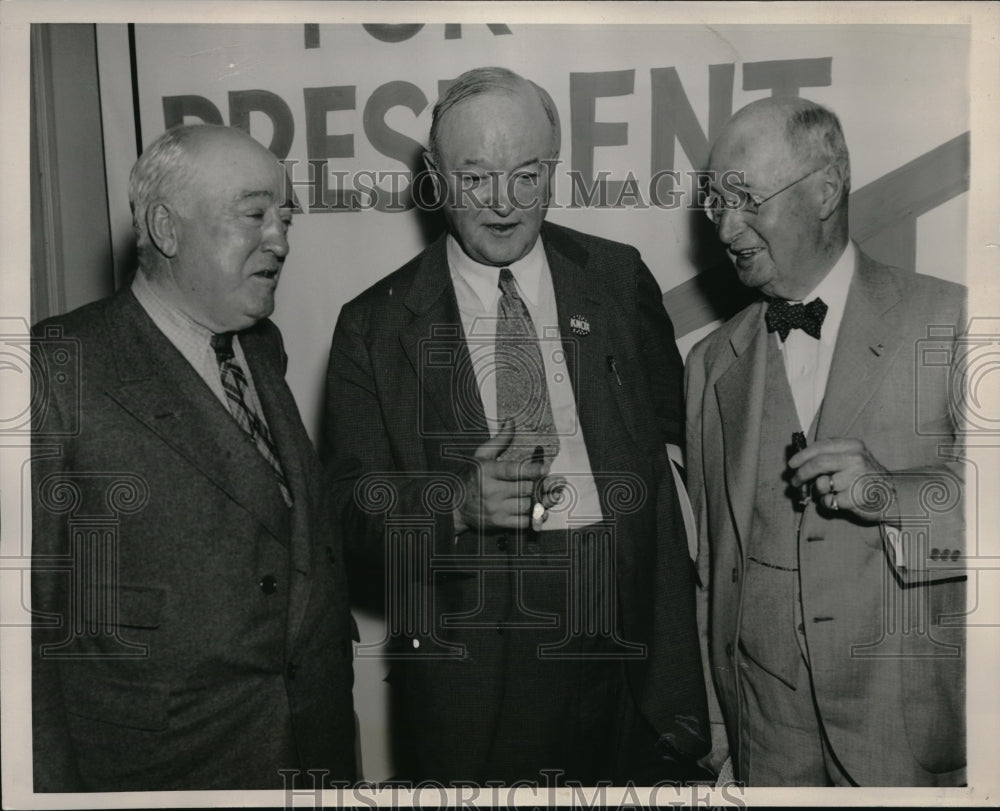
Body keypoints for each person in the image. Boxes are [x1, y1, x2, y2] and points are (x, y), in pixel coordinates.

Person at [322, 66, 709, 785]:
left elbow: (676, 439)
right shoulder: (373, 326)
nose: (503, 203)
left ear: (554, 169)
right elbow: (346, 517)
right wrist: (455, 504)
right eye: (475, 179)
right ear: (435, 178)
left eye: (527, 175)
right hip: (478, 664)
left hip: (634, 650)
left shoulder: (618, 277)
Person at [31, 124, 357, 791]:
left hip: (311, 750)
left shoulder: (260, 346)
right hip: (168, 772)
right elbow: (21, 629)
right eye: (254, 215)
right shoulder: (55, 369)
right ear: (166, 228)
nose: (280, 240)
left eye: (286, 217)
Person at [686, 97, 966, 786]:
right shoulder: (709, 364)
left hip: (903, 730)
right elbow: (710, 567)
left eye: (746, 200)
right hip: (763, 740)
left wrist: (894, 495)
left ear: (826, 189)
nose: (726, 227)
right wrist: (718, 728)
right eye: (716, 204)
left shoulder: (955, 319)